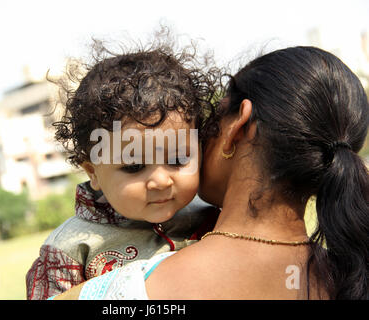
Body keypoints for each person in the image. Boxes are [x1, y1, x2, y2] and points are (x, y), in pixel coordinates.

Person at [54, 46, 368, 300]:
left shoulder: (120, 291)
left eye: (211, 121)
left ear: (236, 127)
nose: (162, 177)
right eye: (135, 165)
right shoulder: (349, 278)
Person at [26, 37, 220, 300]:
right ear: (93, 172)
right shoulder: (70, 248)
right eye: (134, 167)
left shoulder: (216, 222)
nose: (161, 181)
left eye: (177, 160)